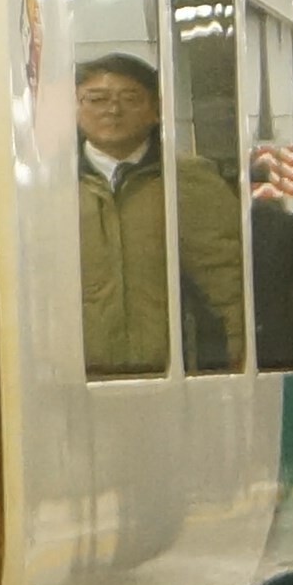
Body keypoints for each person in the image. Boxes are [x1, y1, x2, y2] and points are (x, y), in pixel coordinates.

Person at [70, 53, 179, 380]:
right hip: (77, 377)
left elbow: (226, 278)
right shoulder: (49, 188)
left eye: (129, 98)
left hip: (172, 374)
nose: (112, 110)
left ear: (155, 110)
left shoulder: (186, 181)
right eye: (96, 99)